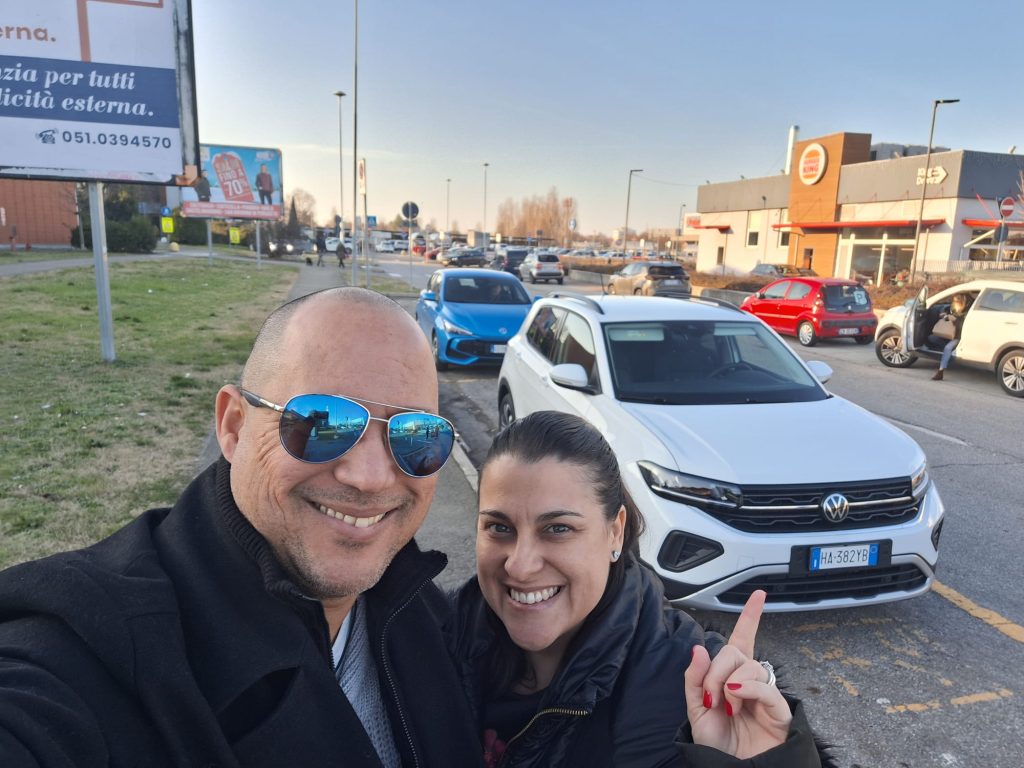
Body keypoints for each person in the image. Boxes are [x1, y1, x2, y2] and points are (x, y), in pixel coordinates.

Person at [0, 288, 483, 767]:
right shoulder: (89, 648)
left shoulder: (422, 608)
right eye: (322, 423)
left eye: (416, 433)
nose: (370, 477)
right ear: (233, 426)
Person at [448, 411, 830, 767]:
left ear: (615, 532)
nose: (520, 564)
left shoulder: (697, 688)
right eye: (499, 527)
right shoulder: (433, 643)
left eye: (558, 528)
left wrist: (765, 760)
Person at [930, 293, 970, 381]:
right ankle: (947, 355)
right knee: (931, 338)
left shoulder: (967, 312)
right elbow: (948, 317)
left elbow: (962, 326)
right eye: (954, 300)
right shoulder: (953, 309)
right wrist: (945, 316)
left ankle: (940, 371)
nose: (955, 302)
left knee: (947, 348)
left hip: (958, 336)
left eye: (957, 300)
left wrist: (955, 320)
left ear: (963, 301)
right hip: (949, 334)